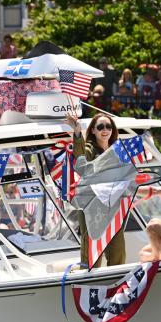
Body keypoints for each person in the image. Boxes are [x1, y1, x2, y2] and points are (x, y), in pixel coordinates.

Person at [66, 112, 125, 269]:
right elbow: (81, 158)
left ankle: (117, 282)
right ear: (93, 130)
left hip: (113, 206)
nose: (105, 130)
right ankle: (88, 281)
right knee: (92, 255)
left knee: (118, 252)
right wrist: (77, 132)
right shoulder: (90, 148)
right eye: (100, 127)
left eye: (108, 126)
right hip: (92, 207)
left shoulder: (118, 150)